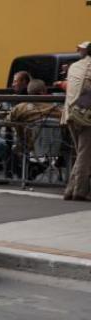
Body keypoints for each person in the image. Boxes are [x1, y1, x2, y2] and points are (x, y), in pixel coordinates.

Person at [62, 41, 91, 201]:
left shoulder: (75, 66)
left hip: (70, 114)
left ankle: (70, 190)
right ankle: (80, 191)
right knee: (85, 154)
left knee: (82, 153)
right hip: (85, 114)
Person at [9, 79, 62, 154]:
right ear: (44, 91)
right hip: (55, 150)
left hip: (30, 148)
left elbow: (7, 121)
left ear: (28, 91)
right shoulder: (58, 110)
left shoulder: (20, 108)